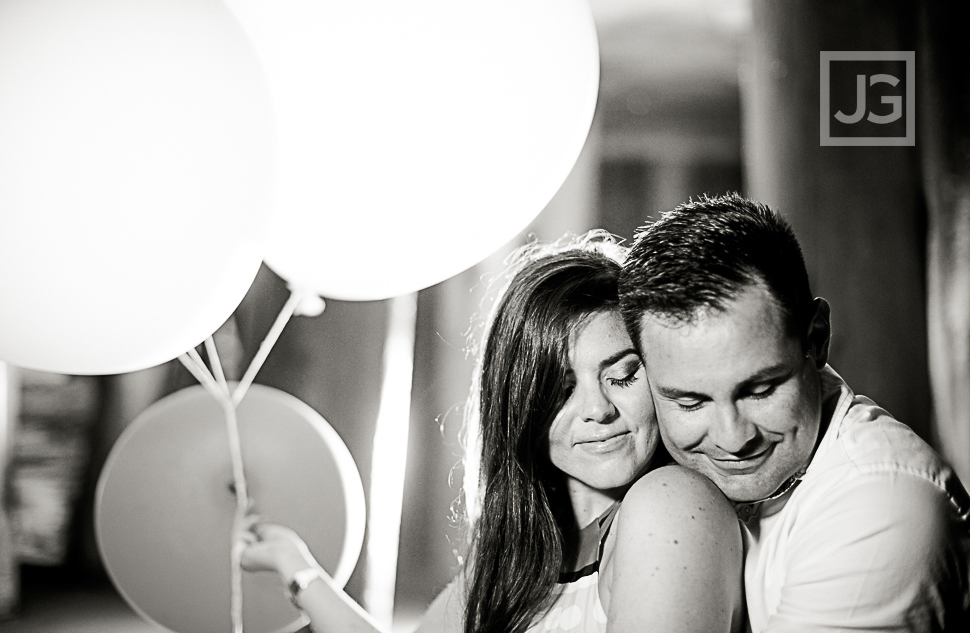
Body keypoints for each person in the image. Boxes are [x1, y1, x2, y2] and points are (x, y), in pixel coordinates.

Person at [238, 232, 744, 633]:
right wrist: (297, 567)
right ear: (520, 403)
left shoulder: (669, 502)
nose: (598, 410)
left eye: (622, 375)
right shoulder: (519, 558)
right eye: (560, 387)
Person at [619, 193, 970, 632]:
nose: (732, 438)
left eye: (761, 389)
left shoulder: (881, 506)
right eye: (690, 402)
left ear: (817, 338)